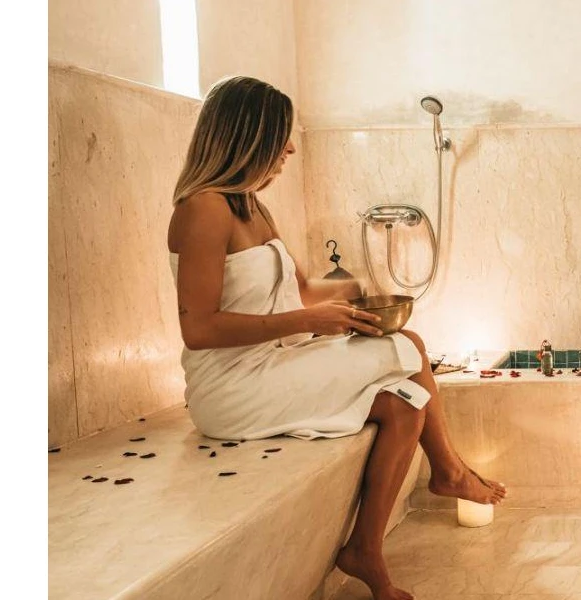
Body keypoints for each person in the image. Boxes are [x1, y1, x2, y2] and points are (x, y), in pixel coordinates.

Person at [166, 76, 504, 600]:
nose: (291, 148)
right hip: (231, 387)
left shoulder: (251, 205)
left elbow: (300, 289)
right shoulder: (203, 208)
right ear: (248, 134)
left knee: (406, 404)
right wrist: (309, 322)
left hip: (275, 362)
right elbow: (199, 328)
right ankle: (449, 472)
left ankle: (365, 549)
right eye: (282, 135)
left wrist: (356, 295)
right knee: (407, 346)